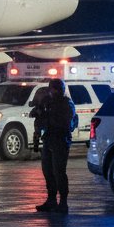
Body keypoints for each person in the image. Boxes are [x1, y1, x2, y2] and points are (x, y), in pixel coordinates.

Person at [35, 77, 76, 214]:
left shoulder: (66, 103)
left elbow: (64, 122)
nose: (51, 92)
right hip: (49, 139)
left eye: (53, 89)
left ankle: (63, 202)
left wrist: (46, 116)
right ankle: (51, 199)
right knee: (48, 171)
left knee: (59, 172)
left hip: (60, 140)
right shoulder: (50, 102)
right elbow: (41, 119)